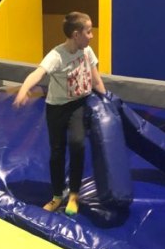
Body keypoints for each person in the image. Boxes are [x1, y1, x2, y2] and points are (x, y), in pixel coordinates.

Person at [13, 11, 106, 216]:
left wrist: (107, 100)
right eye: (88, 32)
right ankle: (57, 195)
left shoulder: (87, 51)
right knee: (57, 151)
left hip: (78, 105)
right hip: (57, 107)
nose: (91, 36)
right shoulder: (56, 56)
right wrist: (23, 89)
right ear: (76, 34)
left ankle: (73, 194)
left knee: (78, 144)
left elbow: (96, 79)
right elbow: (38, 73)